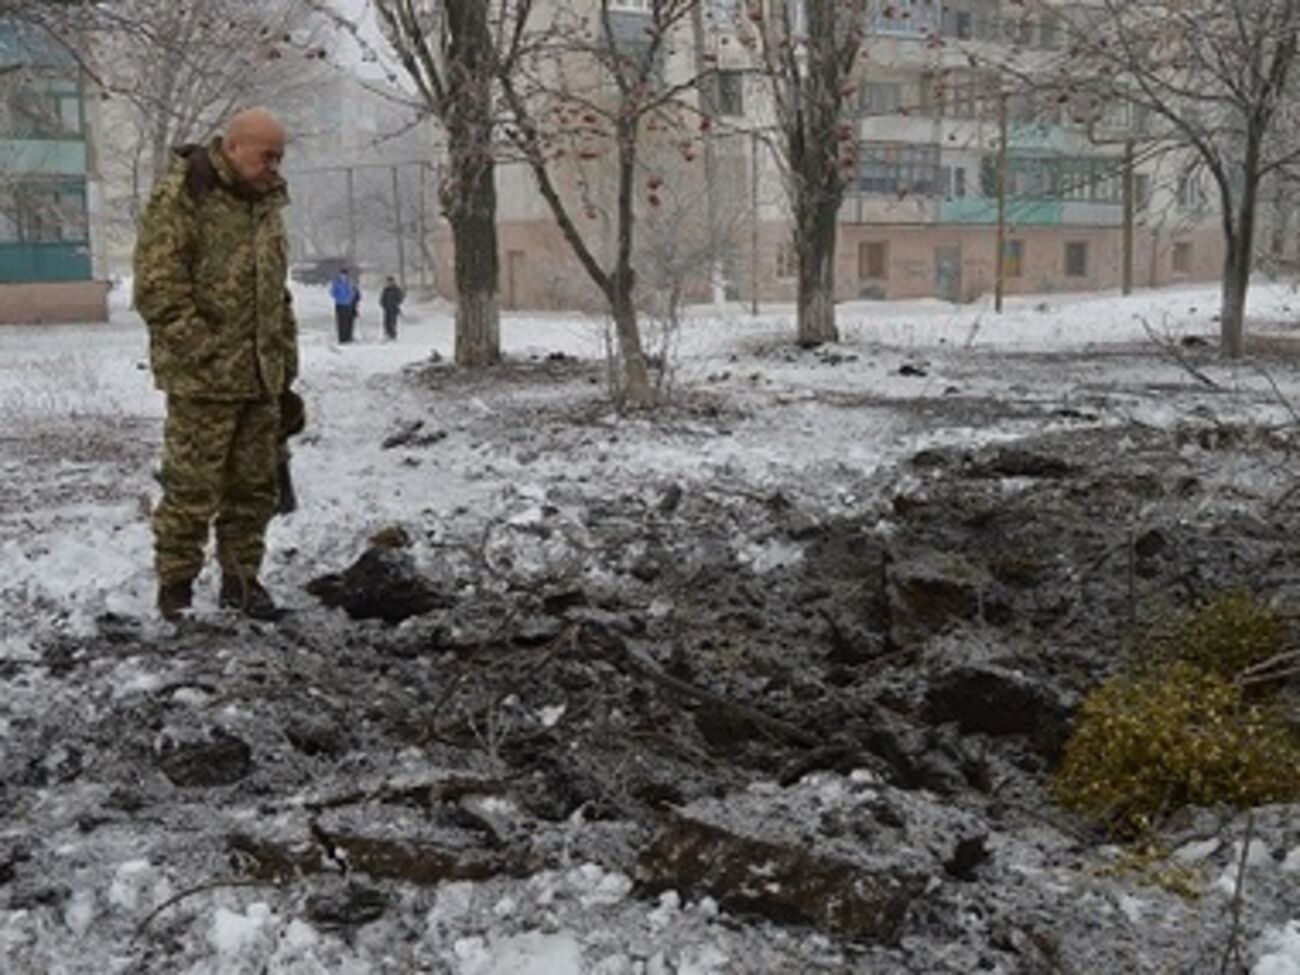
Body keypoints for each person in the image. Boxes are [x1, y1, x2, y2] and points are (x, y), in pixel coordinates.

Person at [134, 107, 299, 622]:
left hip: (260, 379)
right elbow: (158, 289)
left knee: (256, 490)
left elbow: (276, 293)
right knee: (191, 491)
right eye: (266, 155)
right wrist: (203, 351)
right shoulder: (185, 196)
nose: (274, 166)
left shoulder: (265, 205)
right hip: (204, 382)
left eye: (280, 157)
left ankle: (243, 583)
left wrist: (284, 365)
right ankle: (176, 591)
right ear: (232, 148)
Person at [329, 268, 358, 343]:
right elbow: (332, 292)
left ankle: (348, 337)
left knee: (348, 321)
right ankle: (342, 338)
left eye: (344, 274)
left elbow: (353, 292)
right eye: (342, 274)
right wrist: (339, 298)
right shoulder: (336, 282)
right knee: (340, 321)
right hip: (339, 304)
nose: (343, 276)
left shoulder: (349, 282)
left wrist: (349, 299)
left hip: (348, 305)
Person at [379, 275, 404, 340]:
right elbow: (382, 298)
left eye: (390, 282)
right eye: (388, 282)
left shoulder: (396, 289)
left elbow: (400, 298)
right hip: (386, 309)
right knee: (386, 323)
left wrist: (395, 303)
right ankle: (387, 334)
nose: (389, 283)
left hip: (394, 309)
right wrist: (383, 304)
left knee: (392, 323)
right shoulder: (385, 290)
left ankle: (393, 335)